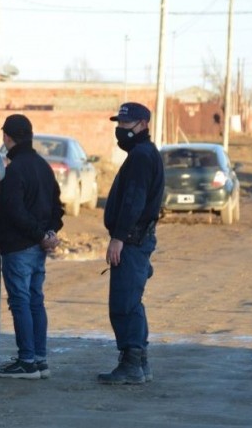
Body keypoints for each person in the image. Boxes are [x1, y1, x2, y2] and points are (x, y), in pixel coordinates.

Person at [0, 114, 64, 379]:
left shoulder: (14, 170)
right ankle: (39, 359)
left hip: (20, 247)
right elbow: (58, 207)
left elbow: (14, 210)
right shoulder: (43, 166)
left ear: (7, 137)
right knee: (35, 300)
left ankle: (26, 362)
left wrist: (40, 235)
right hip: (37, 247)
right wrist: (49, 234)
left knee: (21, 301)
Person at [98, 102, 164, 385]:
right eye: (120, 124)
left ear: (143, 125)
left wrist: (118, 238)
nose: (121, 129)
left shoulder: (141, 156)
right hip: (136, 238)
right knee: (131, 301)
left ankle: (132, 364)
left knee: (124, 303)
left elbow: (134, 200)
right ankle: (140, 363)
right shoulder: (143, 153)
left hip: (133, 240)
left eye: (127, 124)